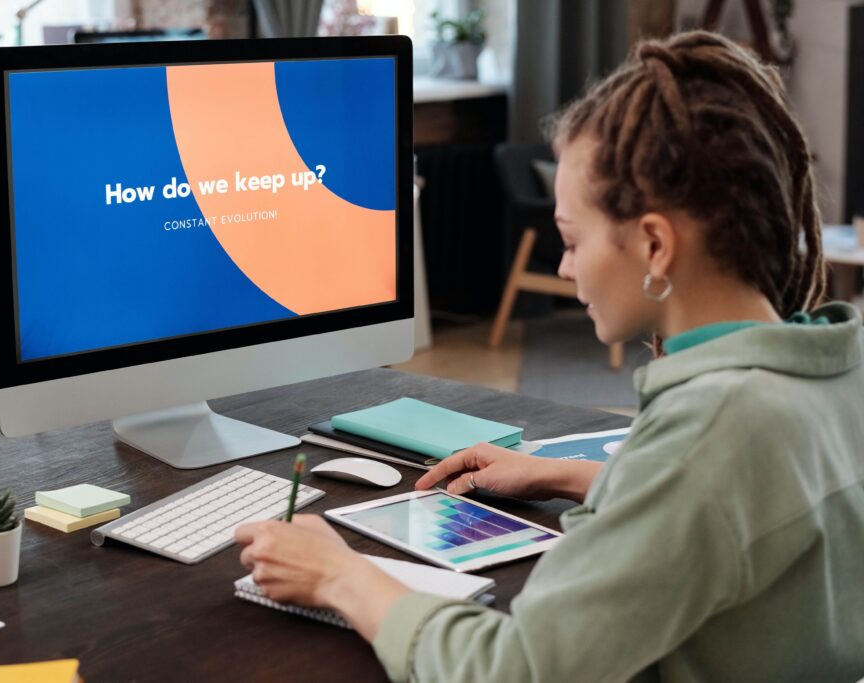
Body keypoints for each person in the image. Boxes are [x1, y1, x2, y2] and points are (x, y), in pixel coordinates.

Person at [234, 31, 864, 682]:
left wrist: (343, 576)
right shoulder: (833, 366)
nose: (564, 268)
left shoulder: (711, 427)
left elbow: (516, 670)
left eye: (570, 239)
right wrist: (565, 474)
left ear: (654, 245)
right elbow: (744, 505)